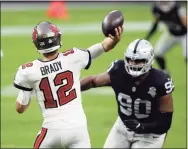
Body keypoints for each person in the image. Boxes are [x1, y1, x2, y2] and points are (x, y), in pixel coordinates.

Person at [13, 21, 123, 148]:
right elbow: (103, 47)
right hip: (78, 129)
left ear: (37, 44)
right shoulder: (73, 57)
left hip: (51, 130)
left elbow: (20, 108)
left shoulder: (28, 71)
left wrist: (31, 88)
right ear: (57, 38)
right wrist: (114, 40)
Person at [81, 39, 174, 148]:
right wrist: (72, 88)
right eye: (130, 60)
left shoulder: (160, 81)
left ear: (148, 60)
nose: (133, 63)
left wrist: (142, 127)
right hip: (122, 127)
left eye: (138, 61)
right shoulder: (118, 70)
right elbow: (93, 81)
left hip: (150, 135)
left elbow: (165, 121)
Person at [145, 1, 187, 72]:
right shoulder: (156, 8)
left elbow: (185, 22)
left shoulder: (177, 7)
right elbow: (155, 24)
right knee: (157, 53)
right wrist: (147, 38)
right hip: (171, 33)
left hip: (185, 34)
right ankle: (164, 73)